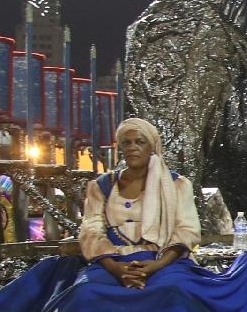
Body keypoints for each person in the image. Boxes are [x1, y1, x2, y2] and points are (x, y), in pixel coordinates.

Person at [78, 119, 202, 287]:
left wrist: (157, 265)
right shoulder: (101, 186)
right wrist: (115, 268)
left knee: (174, 288)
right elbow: (90, 232)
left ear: (152, 146)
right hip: (113, 261)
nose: (132, 147)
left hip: (162, 260)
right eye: (126, 142)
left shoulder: (175, 184)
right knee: (86, 291)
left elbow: (187, 230)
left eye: (140, 142)